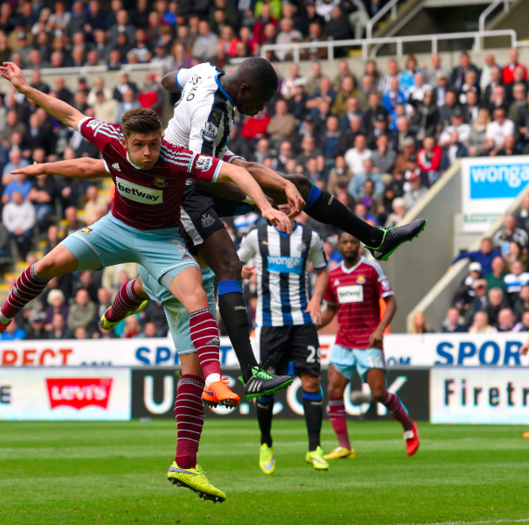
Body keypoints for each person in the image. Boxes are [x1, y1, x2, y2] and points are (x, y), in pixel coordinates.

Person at [0, 62, 292, 406]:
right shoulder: (108, 138)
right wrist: (27, 90)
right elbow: (70, 117)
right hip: (115, 228)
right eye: (140, 145)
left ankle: (213, 379)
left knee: (196, 297)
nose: (148, 153)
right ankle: (0, 318)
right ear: (124, 141)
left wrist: (264, 207)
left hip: (161, 240)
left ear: (161, 138)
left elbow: (232, 172)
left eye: (154, 143)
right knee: (47, 264)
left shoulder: (177, 158)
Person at [156, 57, 426, 394]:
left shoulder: (205, 73)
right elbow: (201, 176)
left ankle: (376, 238)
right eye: (262, 100)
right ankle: (250, 371)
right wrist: (258, 201)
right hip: (182, 189)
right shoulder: (211, 111)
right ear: (244, 89)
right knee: (228, 264)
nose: (262, 109)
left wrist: (177, 108)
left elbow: (169, 79)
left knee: (294, 183)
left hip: (209, 169)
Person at [237, 206, 330, 474]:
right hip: (270, 324)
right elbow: (233, 262)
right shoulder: (257, 236)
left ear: (296, 206)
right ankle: (266, 444)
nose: (284, 208)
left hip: (302, 321)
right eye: (278, 203)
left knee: (311, 380)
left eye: (288, 203)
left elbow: (322, 270)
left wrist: (316, 298)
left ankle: (315, 449)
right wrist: (240, 269)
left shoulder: (310, 237)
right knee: (266, 387)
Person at [319, 233, 420, 459]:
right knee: (334, 390)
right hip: (343, 341)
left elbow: (391, 302)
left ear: (359, 244)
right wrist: (313, 326)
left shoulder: (372, 269)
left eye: (353, 241)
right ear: (339, 245)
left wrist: (380, 329)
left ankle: (408, 426)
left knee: (378, 393)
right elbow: (331, 310)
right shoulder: (333, 275)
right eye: (344, 242)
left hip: (369, 340)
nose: (348, 246)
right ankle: (344, 446)